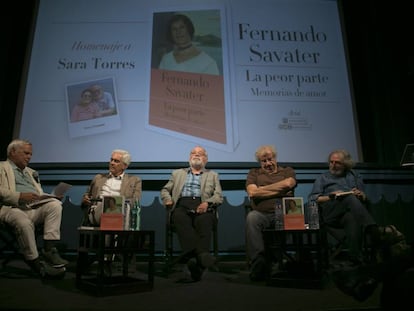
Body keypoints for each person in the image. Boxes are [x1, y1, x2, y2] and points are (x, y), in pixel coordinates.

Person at [0, 139, 67, 277]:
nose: (29, 157)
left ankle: (49, 249)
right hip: (11, 208)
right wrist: (19, 196)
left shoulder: (31, 172)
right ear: (13, 152)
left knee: (55, 205)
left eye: (30, 154)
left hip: (32, 208)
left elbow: (38, 194)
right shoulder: (2, 167)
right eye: (26, 153)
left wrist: (51, 197)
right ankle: (37, 264)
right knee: (23, 222)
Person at [160, 146, 223, 281]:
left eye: (200, 154)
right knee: (179, 217)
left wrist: (207, 203)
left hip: (203, 206)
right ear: (189, 157)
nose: (196, 155)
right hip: (182, 205)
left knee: (205, 221)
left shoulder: (213, 175)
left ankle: (191, 259)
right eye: (193, 153)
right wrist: (168, 199)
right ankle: (202, 257)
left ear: (205, 159)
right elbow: (165, 190)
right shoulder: (177, 173)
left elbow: (218, 196)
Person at [308, 149, 378, 265]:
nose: (333, 165)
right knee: (349, 198)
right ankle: (373, 229)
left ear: (345, 164)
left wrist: (361, 195)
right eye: (331, 162)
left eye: (337, 163)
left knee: (351, 217)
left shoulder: (355, 176)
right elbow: (313, 199)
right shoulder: (323, 178)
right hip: (330, 214)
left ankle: (355, 258)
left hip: (348, 213)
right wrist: (331, 197)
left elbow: (364, 197)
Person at [245, 145, 297, 281]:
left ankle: (277, 263)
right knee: (252, 217)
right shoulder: (254, 173)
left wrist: (262, 190)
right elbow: (252, 192)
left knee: (288, 217)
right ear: (259, 162)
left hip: (285, 211)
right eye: (264, 161)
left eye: (270, 159)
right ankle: (258, 262)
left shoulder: (287, 171)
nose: (268, 163)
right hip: (261, 213)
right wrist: (279, 190)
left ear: (275, 158)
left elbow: (288, 184)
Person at [81, 149, 141, 226]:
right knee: (104, 206)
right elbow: (87, 196)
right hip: (98, 212)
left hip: (120, 213)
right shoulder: (98, 178)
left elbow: (135, 201)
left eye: (116, 161)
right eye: (111, 160)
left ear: (124, 166)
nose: (112, 163)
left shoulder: (134, 180)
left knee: (114, 210)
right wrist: (85, 199)